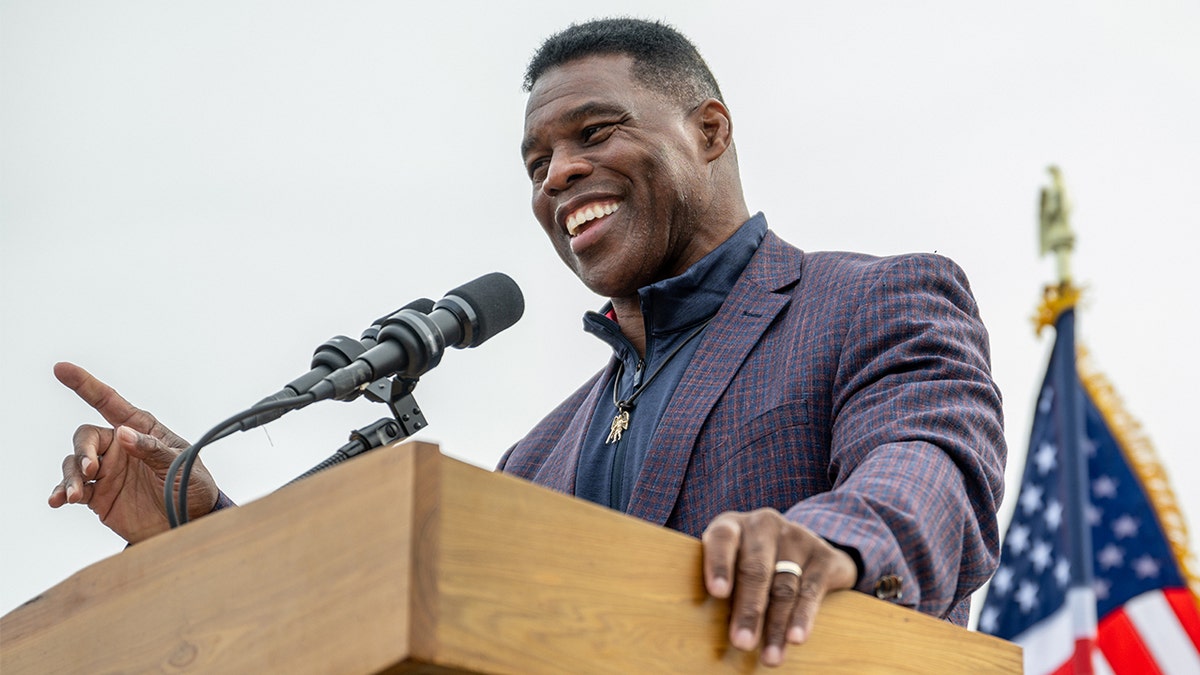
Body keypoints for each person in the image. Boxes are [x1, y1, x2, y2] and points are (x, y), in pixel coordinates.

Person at [50, 18, 1006, 668]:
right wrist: (204, 533)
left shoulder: (870, 299)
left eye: (595, 132)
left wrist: (829, 541)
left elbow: (933, 469)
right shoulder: (536, 455)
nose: (560, 176)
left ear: (709, 129)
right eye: (538, 161)